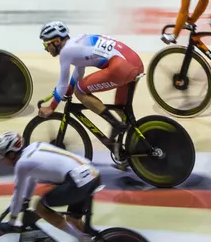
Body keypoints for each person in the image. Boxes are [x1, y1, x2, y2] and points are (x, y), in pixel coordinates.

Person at [38, 22, 143, 161]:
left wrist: (51, 107)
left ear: (57, 42)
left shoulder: (66, 52)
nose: (46, 49)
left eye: (46, 45)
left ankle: (115, 124)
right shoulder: (76, 42)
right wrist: (68, 90)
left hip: (122, 66)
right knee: (120, 107)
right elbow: (78, 72)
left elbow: (62, 84)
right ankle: (137, 142)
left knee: (80, 91)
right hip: (134, 63)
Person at [0, 132, 102, 242]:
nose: (1, 160)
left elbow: (17, 193)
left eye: (2, 156)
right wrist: (26, 199)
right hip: (92, 174)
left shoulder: (21, 164)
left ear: (11, 154)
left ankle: (83, 239)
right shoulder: (35, 146)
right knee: (72, 220)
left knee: (40, 207)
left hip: (78, 181)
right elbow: (32, 178)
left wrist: (11, 221)